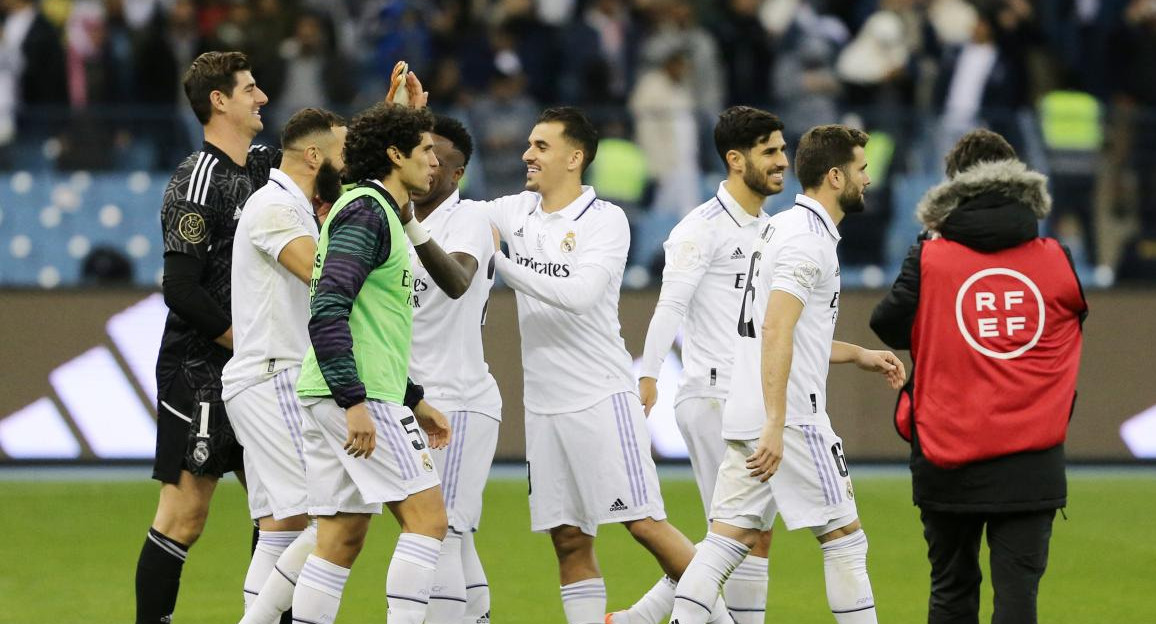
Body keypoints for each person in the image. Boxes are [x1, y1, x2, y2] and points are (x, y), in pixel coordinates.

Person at [484, 106, 731, 624]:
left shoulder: (605, 220)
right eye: (529, 144)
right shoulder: (514, 212)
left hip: (601, 396)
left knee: (644, 525)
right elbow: (452, 216)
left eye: (541, 146)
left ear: (575, 158)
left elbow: (578, 294)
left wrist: (500, 262)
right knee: (569, 541)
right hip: (544, 406)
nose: (528, 154)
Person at [667, 124, 907, 624]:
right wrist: (777, 420)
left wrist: (858, 354)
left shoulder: (778, 228)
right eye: (862, 169)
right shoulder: (808, 241)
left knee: (723, 544)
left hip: (747, 408)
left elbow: (777, 331)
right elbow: (776, 327)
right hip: (793, 417)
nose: (869, 179)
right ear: (836, 176)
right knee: (846, 539)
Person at [869, 129, 1087, 624]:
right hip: (1032, 458)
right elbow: (1071, 319)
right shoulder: (1056, 258)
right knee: (1018, 601)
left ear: (953, 187)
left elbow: (887, 322)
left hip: (948, 454)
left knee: (951, 590)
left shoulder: (930, 257)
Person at [613, 106, 789, 624]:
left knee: (742, 533)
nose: (783, 161)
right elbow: (670, 303)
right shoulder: (700, 228)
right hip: (715, 395)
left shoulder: (772, 229)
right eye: (770, 151)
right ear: (736, 160)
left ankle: (636, 619)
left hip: (751, 398)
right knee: (739, 533)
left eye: (782, 149)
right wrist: (647, 376)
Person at [290, 102, 452, 624]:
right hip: (356, 396)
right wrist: (355, 401)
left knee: (339, 536)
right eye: (426, 150)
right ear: (394, 154)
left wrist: (415, 398)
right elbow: (328, 307)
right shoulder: (368, 211)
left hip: (340, 390)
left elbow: (368, 327)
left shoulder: (369, 209)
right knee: (427, 520)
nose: (435, 162)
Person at [136, 51, 280, 624]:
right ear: (218, 101)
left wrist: (393, 113)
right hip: (200, 371)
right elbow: (181, 288)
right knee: (184, 517)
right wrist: (245, 342)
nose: (262, 96)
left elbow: (333, 151)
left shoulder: (268, 170)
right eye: (250, 89)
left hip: (258, 373)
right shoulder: (196, 179)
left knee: (283, 515)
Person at [220, 107, 345, 624]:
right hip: (276, 375)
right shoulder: (274, 207)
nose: (353, 163)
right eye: (344, 153)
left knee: (281, 527)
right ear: (314, 157)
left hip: (267, 377)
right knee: (331, 516)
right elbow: (322, 274)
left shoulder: (293, 204)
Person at [408, 114, 502, 624]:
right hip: (415, 399)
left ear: (458, 173)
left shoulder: (468, 218)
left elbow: (458, 280)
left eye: (438, 159)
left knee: (439, 532)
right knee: (449, 535)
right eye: (420, 154)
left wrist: (407, 220)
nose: (427, 165)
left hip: (459, 399)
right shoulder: (396, 219)